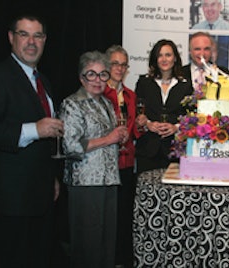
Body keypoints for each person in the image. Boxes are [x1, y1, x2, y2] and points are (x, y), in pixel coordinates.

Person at [0, 15, 63, 268]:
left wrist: (52, 178)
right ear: (11, 38)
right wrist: (33, 129)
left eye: (38, 36)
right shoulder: (0, 76)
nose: (32, 42)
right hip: (11, 201)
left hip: (42, 197)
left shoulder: (42, 80)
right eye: (24, 34)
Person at [60, 50, 128, 268]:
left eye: (103, 74)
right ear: (81, 77)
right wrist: (109, 138)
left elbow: (108, 139)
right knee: (87, 247)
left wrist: (119, 137)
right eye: (92, 74)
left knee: (107, 245)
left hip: (109, 181)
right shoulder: (72, 104)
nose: (98, 80)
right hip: (86, 183)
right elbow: (70, 146)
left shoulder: (106, 104)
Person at [103, 45, 141, 268]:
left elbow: (134, 130)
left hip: (127, 163)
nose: (119, 68)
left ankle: (121, 260)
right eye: (115, 63)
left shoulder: (130, 95)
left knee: (124, 215)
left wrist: (143, 125)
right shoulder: (98, 93)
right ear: (107, 65)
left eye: (123, 64)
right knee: (108, 217)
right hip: (105, 164)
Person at [134, 39, 193, 174]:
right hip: (148, 149)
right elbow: (137, 111)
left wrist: (175, 128)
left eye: (168, 55)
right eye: (160, 55)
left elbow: (191, 117)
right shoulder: (144, 82)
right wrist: (148, 124)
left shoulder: (185, 85)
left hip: (175, 150)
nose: (164, 59)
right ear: (155, 59)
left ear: (175, 58)